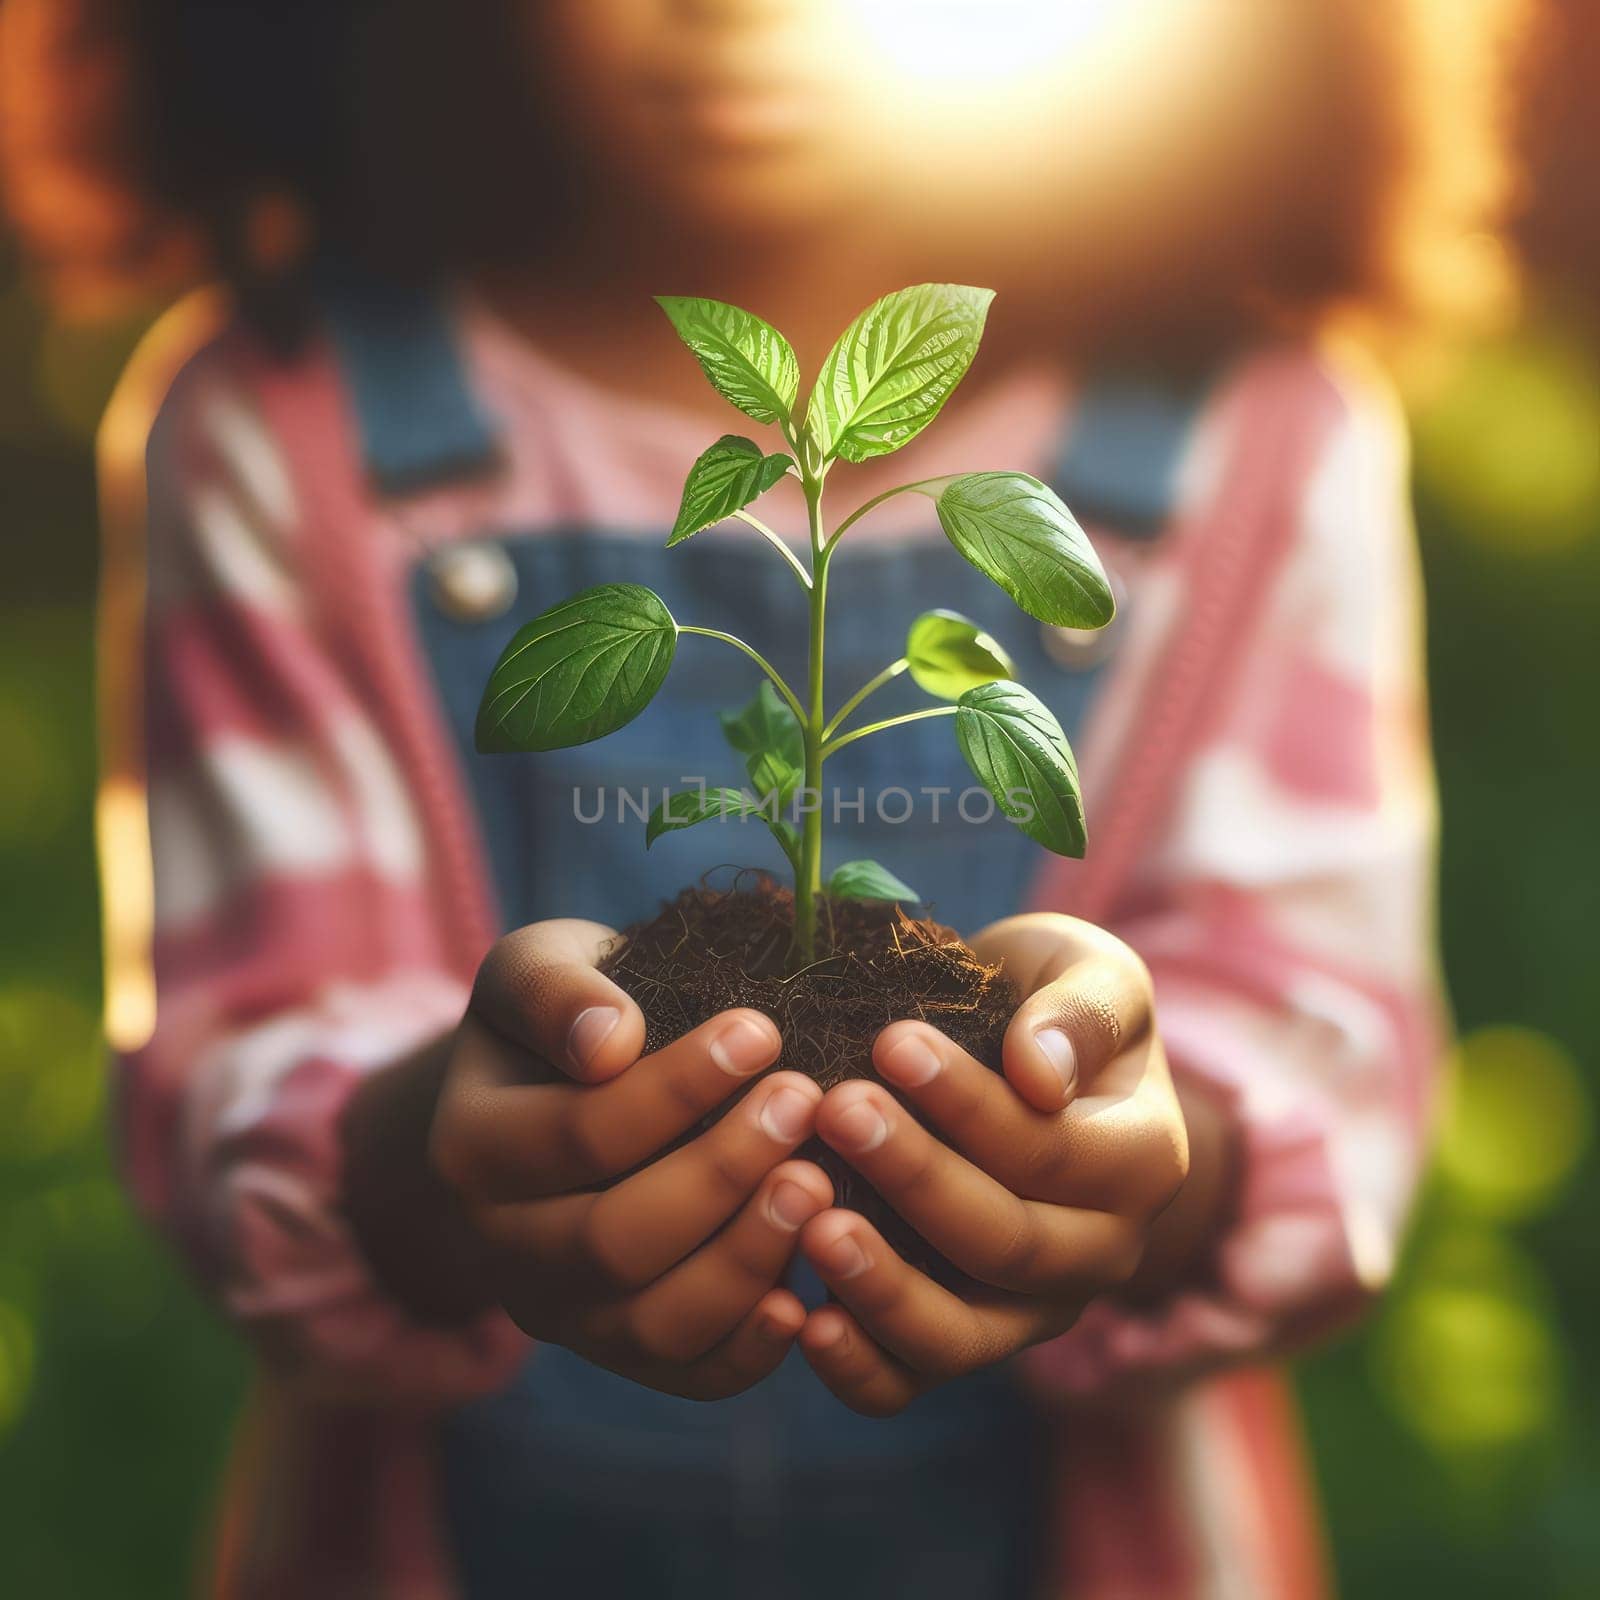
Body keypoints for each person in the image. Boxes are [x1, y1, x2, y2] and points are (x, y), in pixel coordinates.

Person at [2, 0, 1528, 1595]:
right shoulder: (293, 426)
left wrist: (1132, 1154)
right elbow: (249, 1073)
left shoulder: (1255, 437)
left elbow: (1314, 1050)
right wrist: (441, 1150)